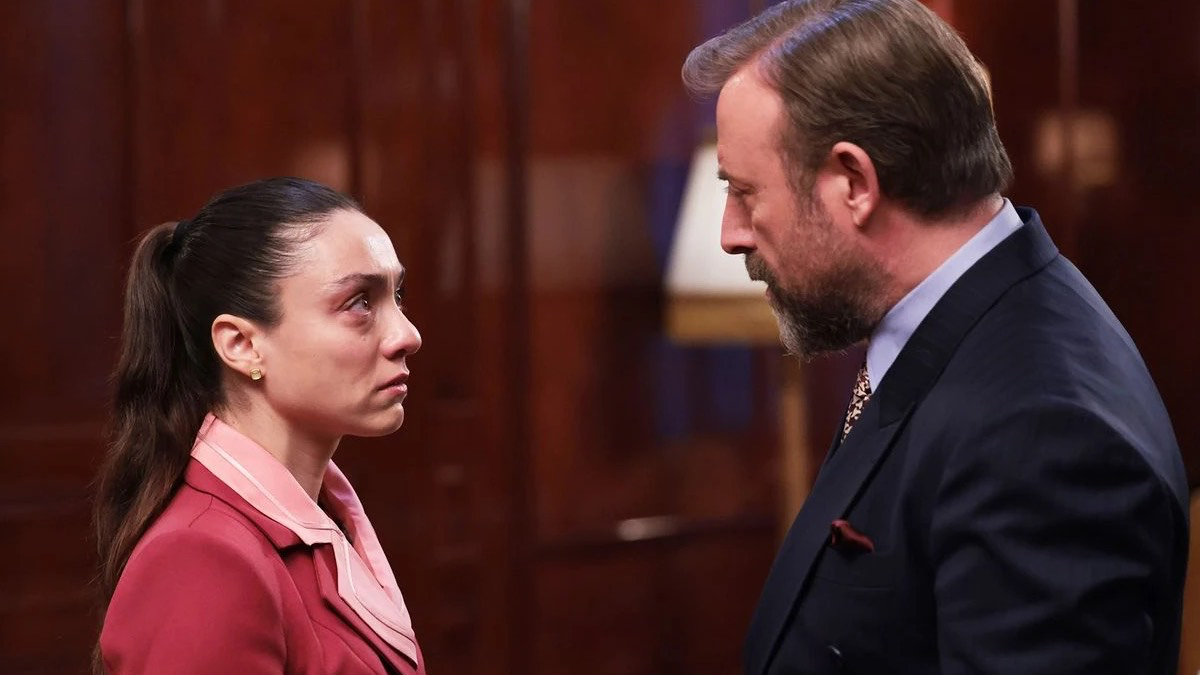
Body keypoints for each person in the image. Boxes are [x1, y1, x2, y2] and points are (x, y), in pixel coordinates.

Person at [682, 1, 1189, 673]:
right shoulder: (950, 320)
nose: (731, 233)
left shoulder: (1041, 431)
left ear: (854, 182)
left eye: (745, 192)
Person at [93, 177, 426, 674]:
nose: (407, 335)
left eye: (396, 295)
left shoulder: (322, 518)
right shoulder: (202, 559)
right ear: (242, 345)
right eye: (359, 302)